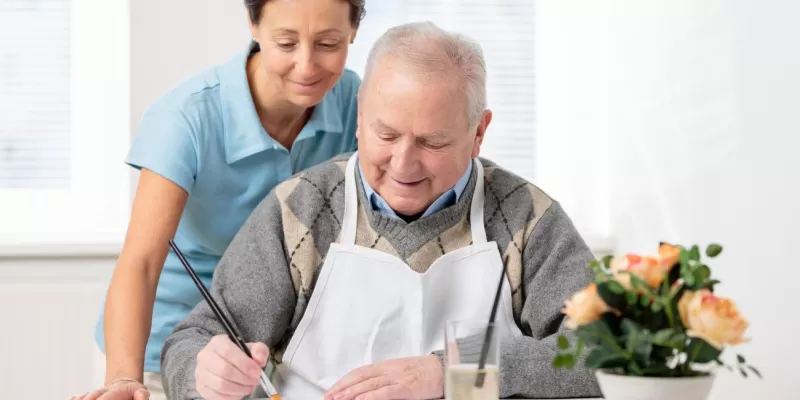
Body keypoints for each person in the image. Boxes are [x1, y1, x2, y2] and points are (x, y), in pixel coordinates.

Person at [161, 21, 602, 400]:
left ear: (478, 132)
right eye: (386, 135)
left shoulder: (528, 217)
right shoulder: (300, 208)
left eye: (432, 142)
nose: (403, 164)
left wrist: (453, 369)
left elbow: (605, 350)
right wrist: (205, 373)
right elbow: (190, 342)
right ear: (359, 115)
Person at [69, 1, 367, 400]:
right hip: (165, 353)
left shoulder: (357, 102)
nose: (307, 65)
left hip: (275, 352)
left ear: (353, 32)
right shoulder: (186, 119)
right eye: (286, 42)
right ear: (252, 24)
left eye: (328, 43)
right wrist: (125, 379)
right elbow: (140, 263)